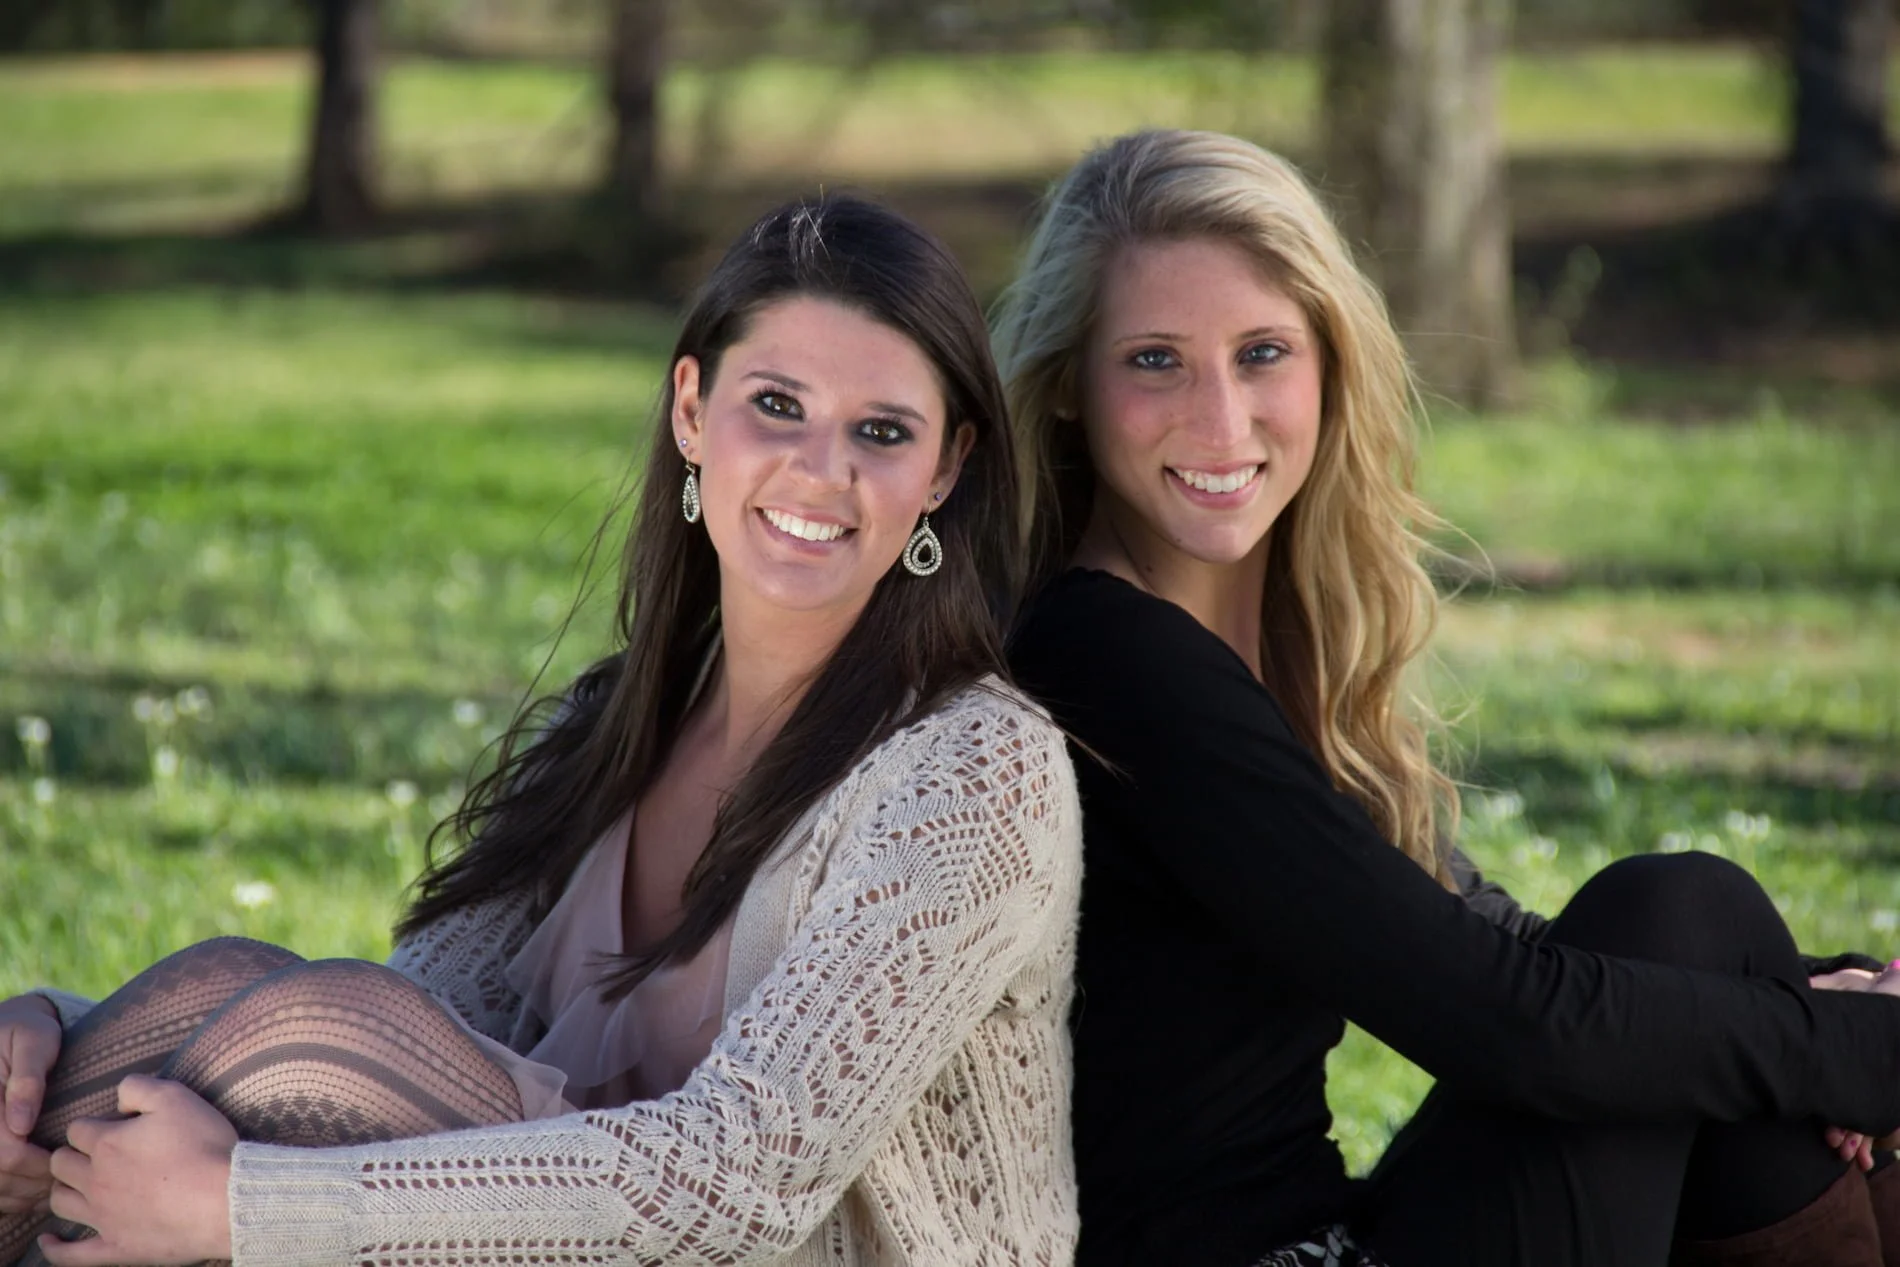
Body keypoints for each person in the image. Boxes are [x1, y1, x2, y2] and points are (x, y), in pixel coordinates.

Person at [0, 193, 1082, 1267]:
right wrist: (55, 1047)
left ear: (944, 468)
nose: (820, 468)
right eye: (777, 405)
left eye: (881, 432)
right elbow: (404, 1022)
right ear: (693, 411)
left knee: (292, 1062)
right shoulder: (611, 726)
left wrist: (238, 1208)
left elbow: (739, 1182)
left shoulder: (970, 771)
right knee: (220, 992)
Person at [997, 128, 1900, 1267]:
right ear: (1070, 388)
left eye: (1262, 352)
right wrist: (1853, 1045)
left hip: (1323, 1224)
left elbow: (1487, 942)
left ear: (1330, 361)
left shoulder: (1262, 637)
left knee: (1684, 921)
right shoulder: (1105, 653)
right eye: (1153, 361)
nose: (1220, 421)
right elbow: (1506, 1022)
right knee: (1699, 971)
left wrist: (1816, 995)